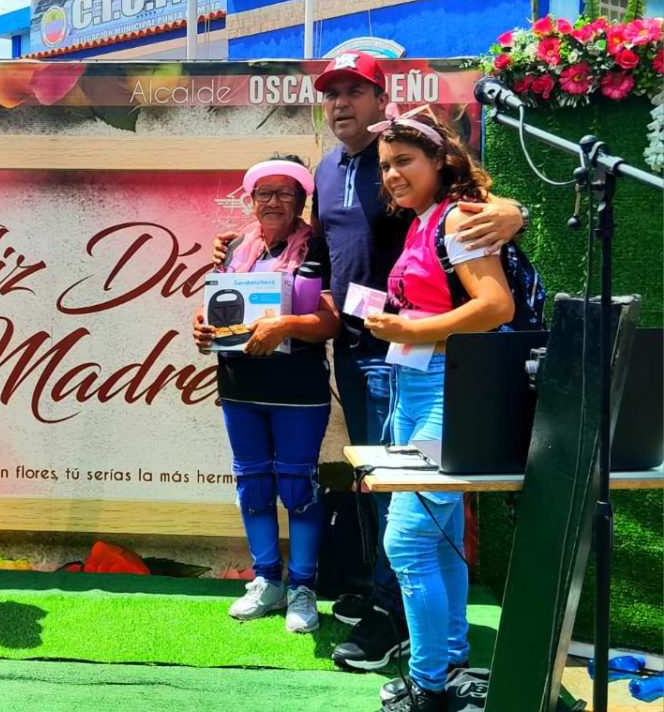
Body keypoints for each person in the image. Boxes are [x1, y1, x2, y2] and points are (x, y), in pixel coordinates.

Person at [214, 52, 526, 671]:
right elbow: (320, 259)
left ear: (382, 100)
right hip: (357, 350)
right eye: (331, 94)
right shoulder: (327, 170)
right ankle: (396, 607)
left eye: (355, 91)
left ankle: (395, 622)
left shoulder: (411, 161)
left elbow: (472, 206)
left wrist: (513, 212)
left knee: (406, 506)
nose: (340, 104)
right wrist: (243, 250)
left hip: (421, 356)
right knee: (379, 487)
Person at [363, 108, 514, 712]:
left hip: (450, 396)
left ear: (439, 163)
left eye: (404, 162)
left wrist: (409, 327)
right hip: (420, 393)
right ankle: (448, 664)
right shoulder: (421, 222)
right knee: (443, 539)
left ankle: (428, 686)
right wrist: (401, 326)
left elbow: (495, 306)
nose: (393, 175)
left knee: (408, 545)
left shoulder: (454, 219)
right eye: (385, 167)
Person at [192, 157, 339, 634]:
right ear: (251, 199)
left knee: (298, 487)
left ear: (301, 200)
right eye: (264, 193)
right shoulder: (233, 248)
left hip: (298, 388)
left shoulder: (319, 245)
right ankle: (267, 581)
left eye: (286, 193)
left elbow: (331, 321)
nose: (274, 202)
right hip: (240, 386)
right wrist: (202, 326)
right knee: (253, 486)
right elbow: (217, 303)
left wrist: (287, 326)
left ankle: (302, 588)